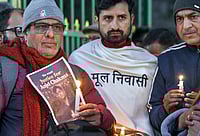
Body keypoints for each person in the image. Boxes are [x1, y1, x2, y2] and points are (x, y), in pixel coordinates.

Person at [0, 0, 115, 135]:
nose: (50, 34)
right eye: (41, 27)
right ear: (25, 33)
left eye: (57, 28)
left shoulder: (75, 73)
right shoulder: (8, 67)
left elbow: (109, 120)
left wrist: (100, 116)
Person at [69, 0, 157, 135]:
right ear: (97, 20)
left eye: (121, 18)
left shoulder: (149, 63)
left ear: (132, 19)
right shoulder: (79, 58)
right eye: (108, 18)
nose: (115, 26)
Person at [149, 0, 200, 135]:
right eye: (179, 19)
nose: (186, 26)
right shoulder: (168, 59)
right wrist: (171, 113)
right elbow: (153, 115)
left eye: (193, 17)